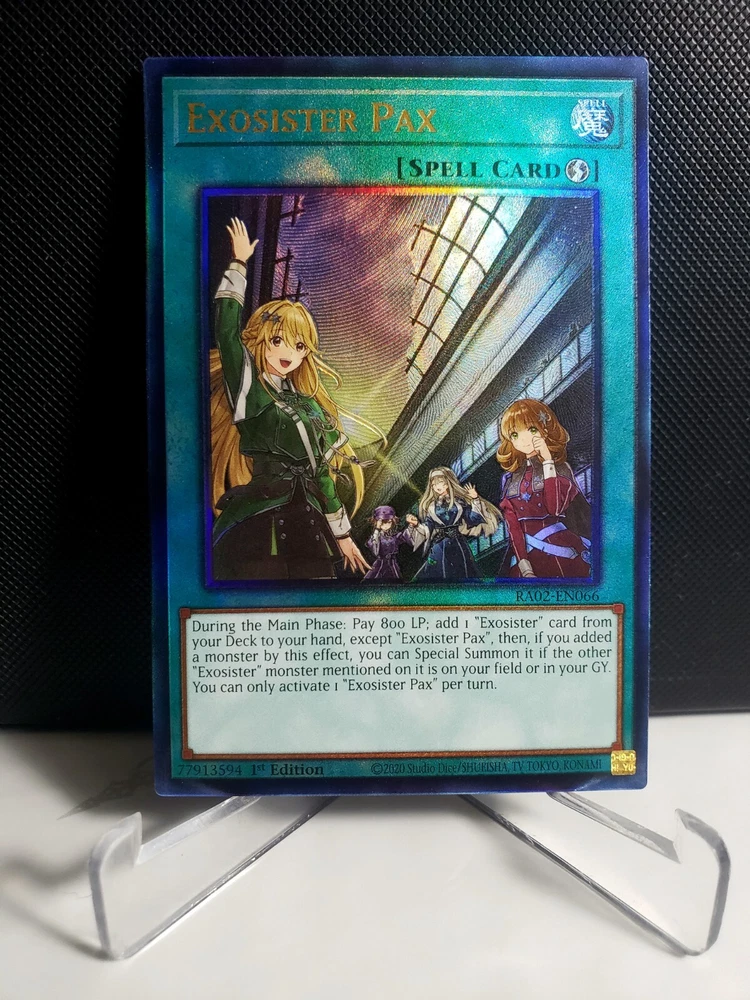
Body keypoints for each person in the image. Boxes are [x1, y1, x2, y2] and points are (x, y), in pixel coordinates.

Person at [210, 217, 383, 580]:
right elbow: (227, 333)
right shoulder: (250, 389)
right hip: (259, 519)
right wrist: (238, 264)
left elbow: (320, 474)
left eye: (299, 345)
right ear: (262, 340)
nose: (288, 352)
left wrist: (344, 536)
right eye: (278, 341)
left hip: (308, 523)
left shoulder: (309, 406)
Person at [496, 398, 591, 579]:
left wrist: (547, 461)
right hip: (525, 558)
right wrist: (524, 565)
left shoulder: (560, 468)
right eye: (515, 434)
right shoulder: (509, 479)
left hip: (563, 552)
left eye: (532, 430)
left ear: (544, 430)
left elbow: (555, 508)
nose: (524, 440)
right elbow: (513, 526)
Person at [406, 467, 500, 581]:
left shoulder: (459, 503)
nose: (437, 486)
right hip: (439, 546)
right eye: (434, 484)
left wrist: (475, 499)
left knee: (462, 573)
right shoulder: (432, 507)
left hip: (457, 544)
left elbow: (472, 519)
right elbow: (428, 528)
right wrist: (416, 524)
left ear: (447, 483)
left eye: (440, 482)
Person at [362, 505, 423, 581]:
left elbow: (408, 538)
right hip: (379, 566)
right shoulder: (375, 537)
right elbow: (375, 550)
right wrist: (377, 529)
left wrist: (411, 525)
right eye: (383, 523)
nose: (386, 525)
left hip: (392, 565)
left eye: (389, 522)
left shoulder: (395, 536)